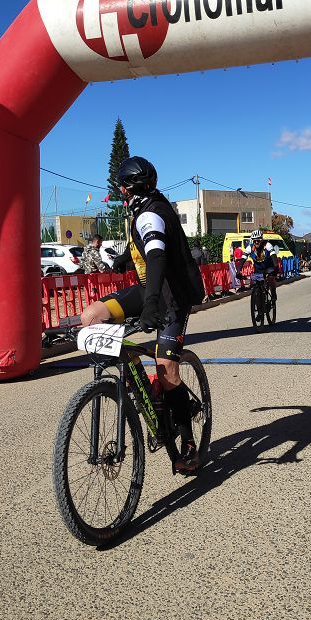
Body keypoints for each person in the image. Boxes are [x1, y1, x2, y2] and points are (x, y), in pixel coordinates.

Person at [81, 156, 206, 473]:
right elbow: (145, 245)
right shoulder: (145, 206)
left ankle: (188, 442)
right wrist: (124, 257)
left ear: (125, 188)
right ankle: (137, 380)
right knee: (91, 316)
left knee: (167, 369)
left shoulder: (149, 212)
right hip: (146, 288)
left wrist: (152, 304)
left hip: (170, 296)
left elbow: (157, 255)